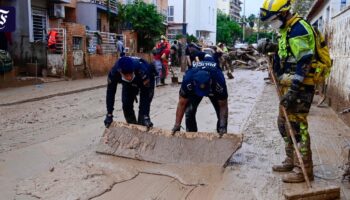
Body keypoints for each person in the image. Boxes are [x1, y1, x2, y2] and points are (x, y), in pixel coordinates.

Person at [260, 0, 317, 183]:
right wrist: (273, 48)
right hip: (288, 83)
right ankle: (291, 160)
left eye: (273, 19)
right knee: (283, 124)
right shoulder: (287, 30)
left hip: (300, 86)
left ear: (284, 13)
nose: (272, 23)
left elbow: (305, 61)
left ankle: (304, 170)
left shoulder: (299, 29)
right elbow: (290, 53)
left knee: (298, 127)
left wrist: (294, 90)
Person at [171, 54, 228, 137]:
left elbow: (223, 105)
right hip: (194, 89)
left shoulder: (218, 80)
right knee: (189, 111)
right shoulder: (188, 80)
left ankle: (221, 134)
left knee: (220, 113)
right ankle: (191, 134)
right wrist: (177, 125)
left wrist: (223, 126)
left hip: (212, 89)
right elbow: (182, 103)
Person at [104, 56, 156, 129]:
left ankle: (142, 125)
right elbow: (110, 93)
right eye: (126, 75)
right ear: (120, 72)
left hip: (146, 80)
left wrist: (146, 116)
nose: (129, 77)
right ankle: (133, 127)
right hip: (127, 84)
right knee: (126, 104)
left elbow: (145, 95)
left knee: (143, 113)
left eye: (130, 74)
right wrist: (109, 114)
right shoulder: (114, 73)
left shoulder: (142, 70)